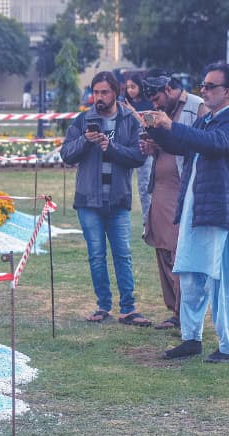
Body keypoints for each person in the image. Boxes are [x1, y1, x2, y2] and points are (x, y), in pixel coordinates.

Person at [144, 62, 229, 362]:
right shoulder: (207, 121)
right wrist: (159, 130)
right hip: (194, 210)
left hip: (219, 214)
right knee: (191, 276)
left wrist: (171, 126)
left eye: (210, 86)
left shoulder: (223, 125)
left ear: (227, 91)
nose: (203, 90)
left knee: (220, 282)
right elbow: (184, 144)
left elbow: (215, 145)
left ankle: (227, 345)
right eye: (203, 85)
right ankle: (191, 338)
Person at [60, 71, 150, 326]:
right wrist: (85, 141)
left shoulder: (129, 120)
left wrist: (111, 148)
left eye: (104, 92)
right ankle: (103, 306)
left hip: (118, 199)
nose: (98, 97)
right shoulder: (83, 120)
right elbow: (66, 154)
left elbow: (138, 156)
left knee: (123, 254)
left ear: (115, 93)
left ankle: (129, 308)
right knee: (96, 255)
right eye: (95, 92)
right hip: (88, 200)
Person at [140, 70, 208, 331]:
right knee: (160, 246)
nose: (155, 104)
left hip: (183, 184)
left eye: (157, 98)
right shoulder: (160, 110)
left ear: (168, 89)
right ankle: (174, 311)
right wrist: (152, 146)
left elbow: (202, 143)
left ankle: (184, 313)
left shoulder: (196, 106)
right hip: (159, 184)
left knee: (177, 249)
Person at [120, 73, 155, 225]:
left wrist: (133, 112)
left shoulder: (149, 104)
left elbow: (148, 125)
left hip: (144, 148)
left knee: (145, 187)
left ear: (140, 87)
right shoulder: (122, 103)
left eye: (133, 87)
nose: (130, 90)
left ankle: (148, 222)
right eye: (128, 87)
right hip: (126, 148)